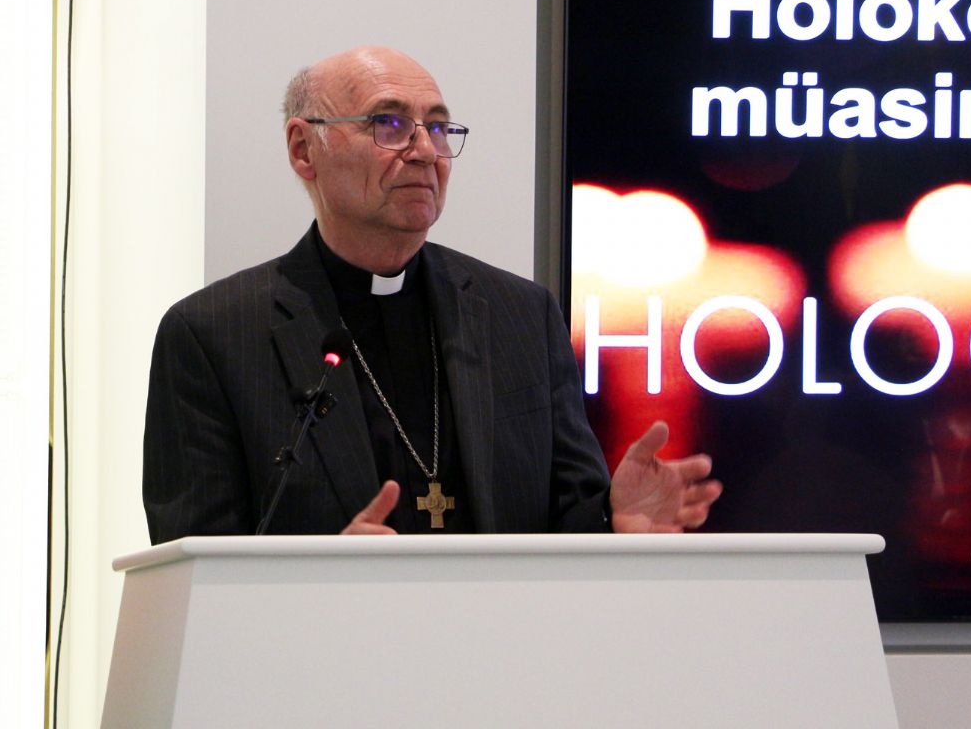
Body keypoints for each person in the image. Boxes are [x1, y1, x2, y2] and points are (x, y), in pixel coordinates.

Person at [144, 45, 721, 541]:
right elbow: (193, 570)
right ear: (303, 148)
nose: (424, 151)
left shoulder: (521, 316)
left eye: (438, 129)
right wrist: (319, 580)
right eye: (389, 124)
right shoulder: (214, 336)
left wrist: (612, 521)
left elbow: (562, 526)